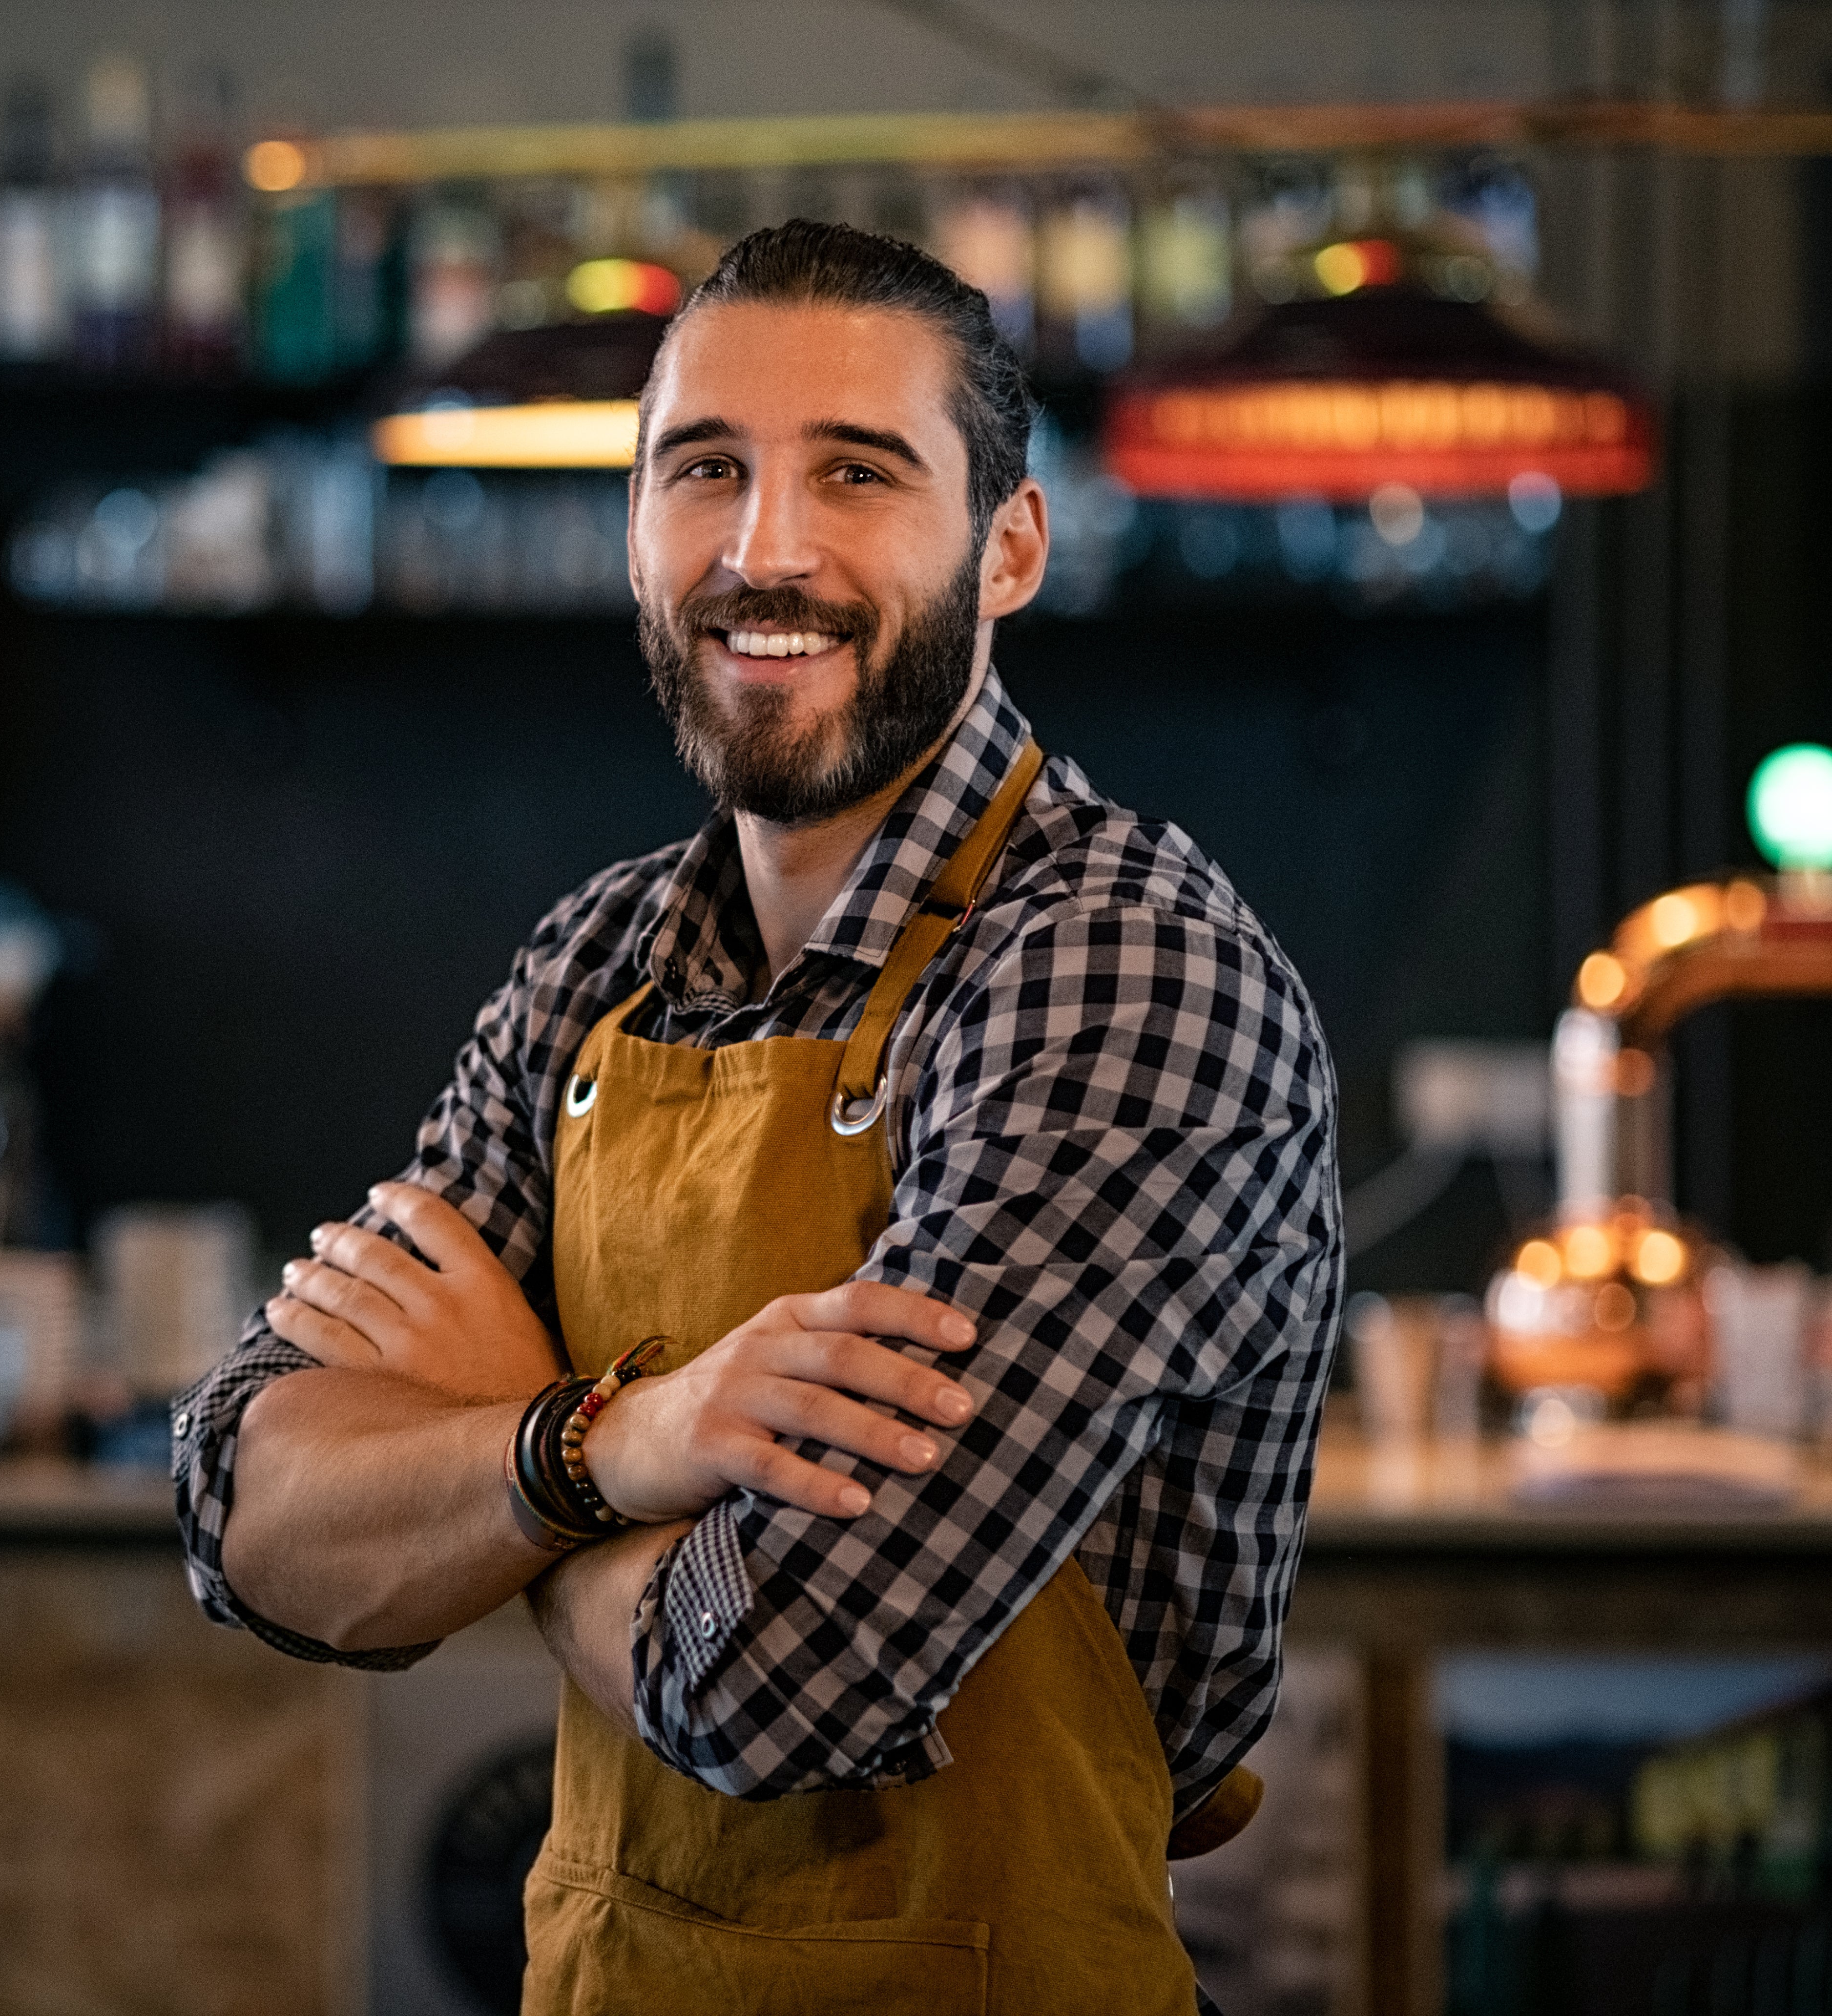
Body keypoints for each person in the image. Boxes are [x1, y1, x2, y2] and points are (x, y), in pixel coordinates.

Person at [170, 219, 1341, 2013]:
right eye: (702, 470)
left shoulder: (1122, 973)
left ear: (1008, 544)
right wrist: (610, 1447)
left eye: (857, 474)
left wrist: (490, 1461)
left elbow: (785, 1678)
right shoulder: (597, 961)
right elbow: (246, 1511)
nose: (763, 549)